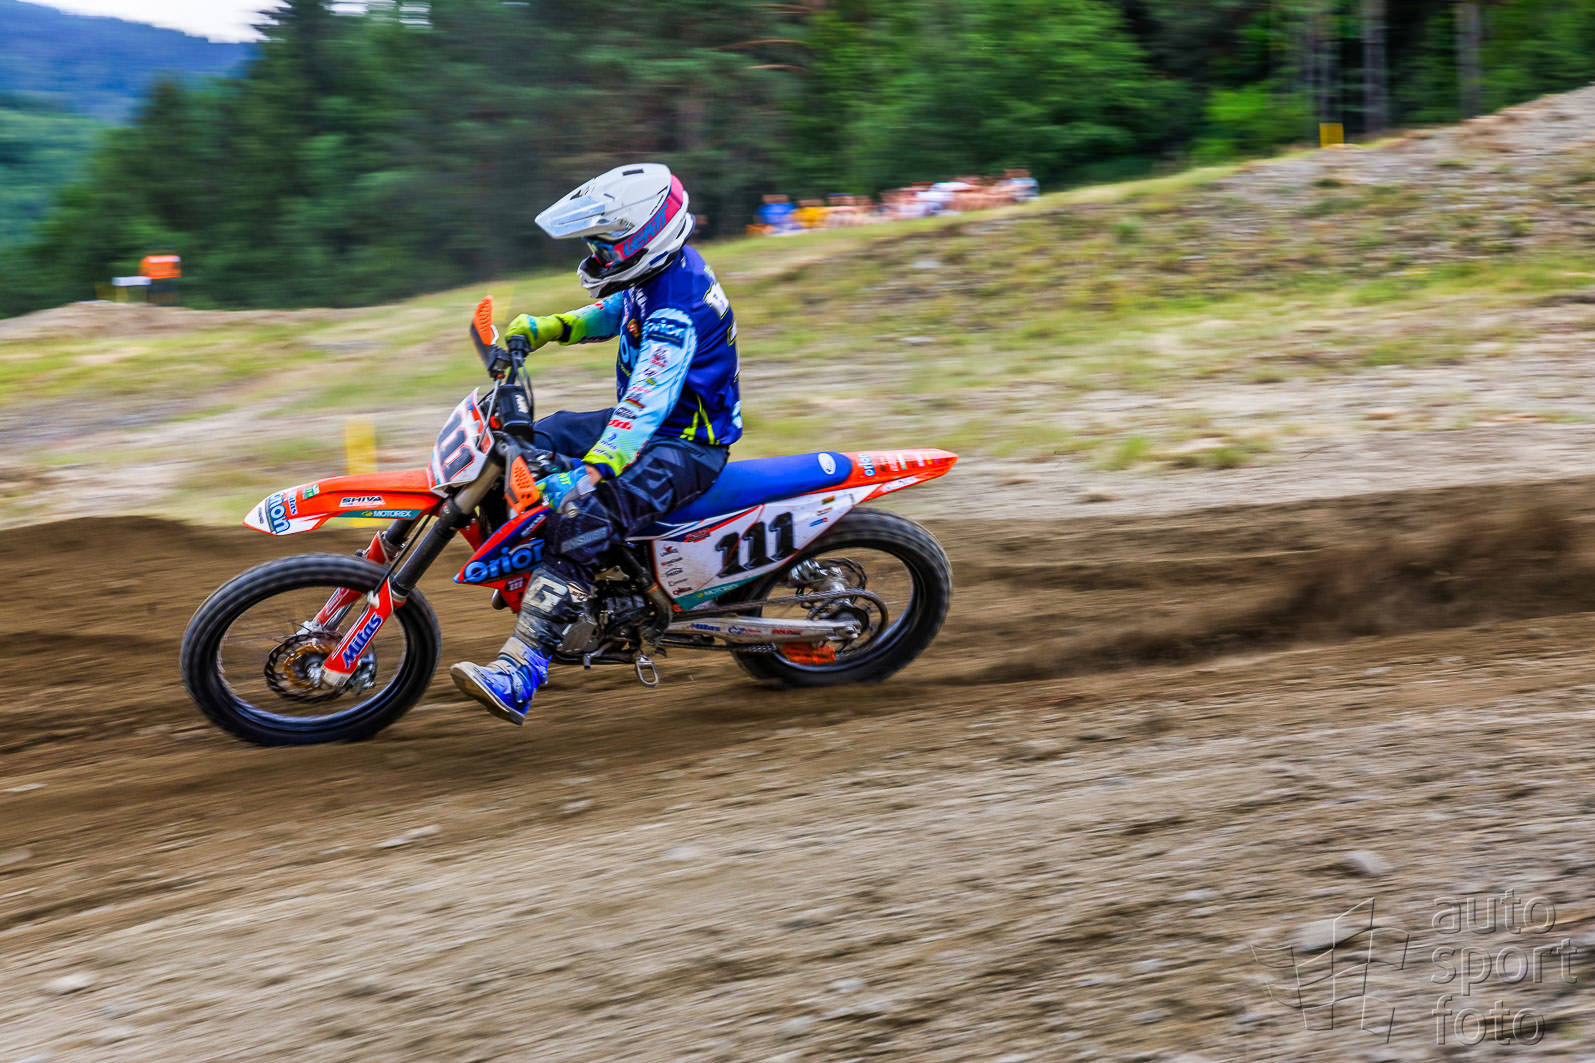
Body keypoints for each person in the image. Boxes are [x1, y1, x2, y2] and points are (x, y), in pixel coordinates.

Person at [450, 163, 742, 725]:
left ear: (647, 235)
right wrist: (551, 327)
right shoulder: (657, 276)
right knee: (536, 438)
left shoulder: (677, 310)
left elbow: (644, 404)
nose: (597, 255)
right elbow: (618, 311)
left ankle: (521, 673)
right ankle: (534, 576)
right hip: (657, 425)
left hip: (685, 444)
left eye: (606, 245)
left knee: (582, 514)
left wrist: (590, 472)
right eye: (594, 245)